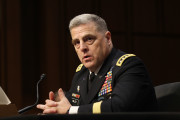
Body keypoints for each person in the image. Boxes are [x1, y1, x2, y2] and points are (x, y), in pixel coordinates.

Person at [37, 14, 157, 114]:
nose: (82, 48)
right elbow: (75, 102)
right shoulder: (81, 72)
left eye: (89, 39)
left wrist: (70, 110)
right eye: (76, 43)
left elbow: (120, 106)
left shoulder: (129, 66)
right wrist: (56, 105)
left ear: (108, 39)